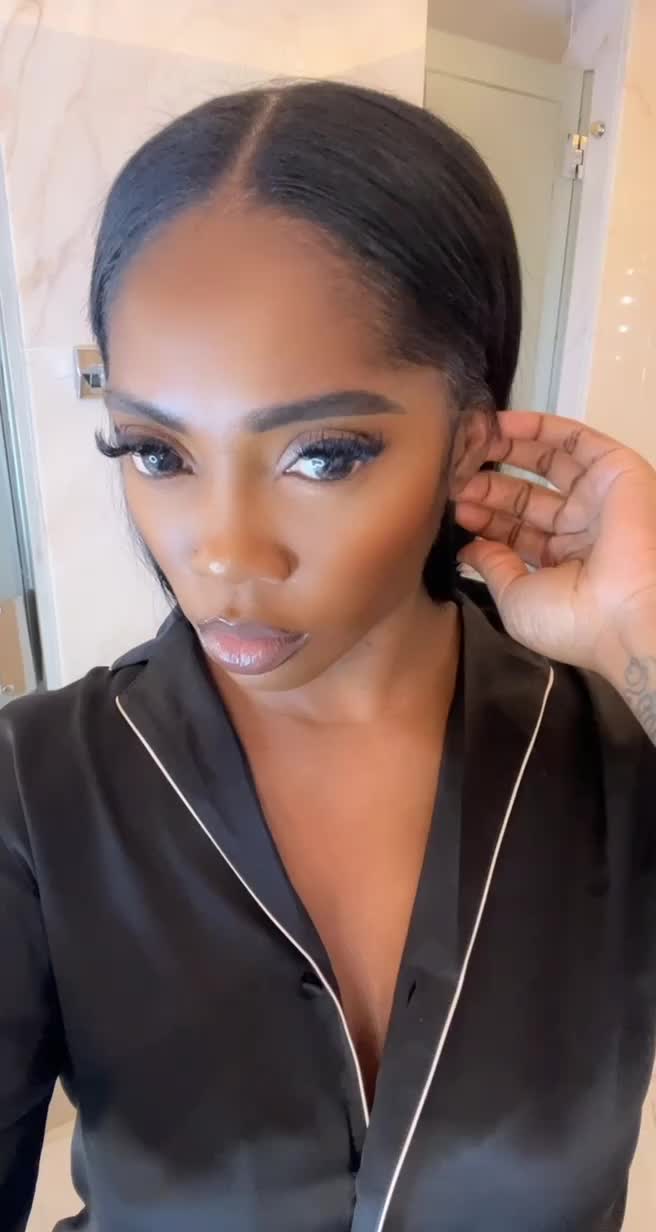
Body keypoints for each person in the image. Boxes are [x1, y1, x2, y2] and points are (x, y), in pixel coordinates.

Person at [1, 80, 655, 1232]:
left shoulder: (613, 747)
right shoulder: (37, 781)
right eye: (155, 451)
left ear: (467, 443)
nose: (222, 553)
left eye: (321, 454)